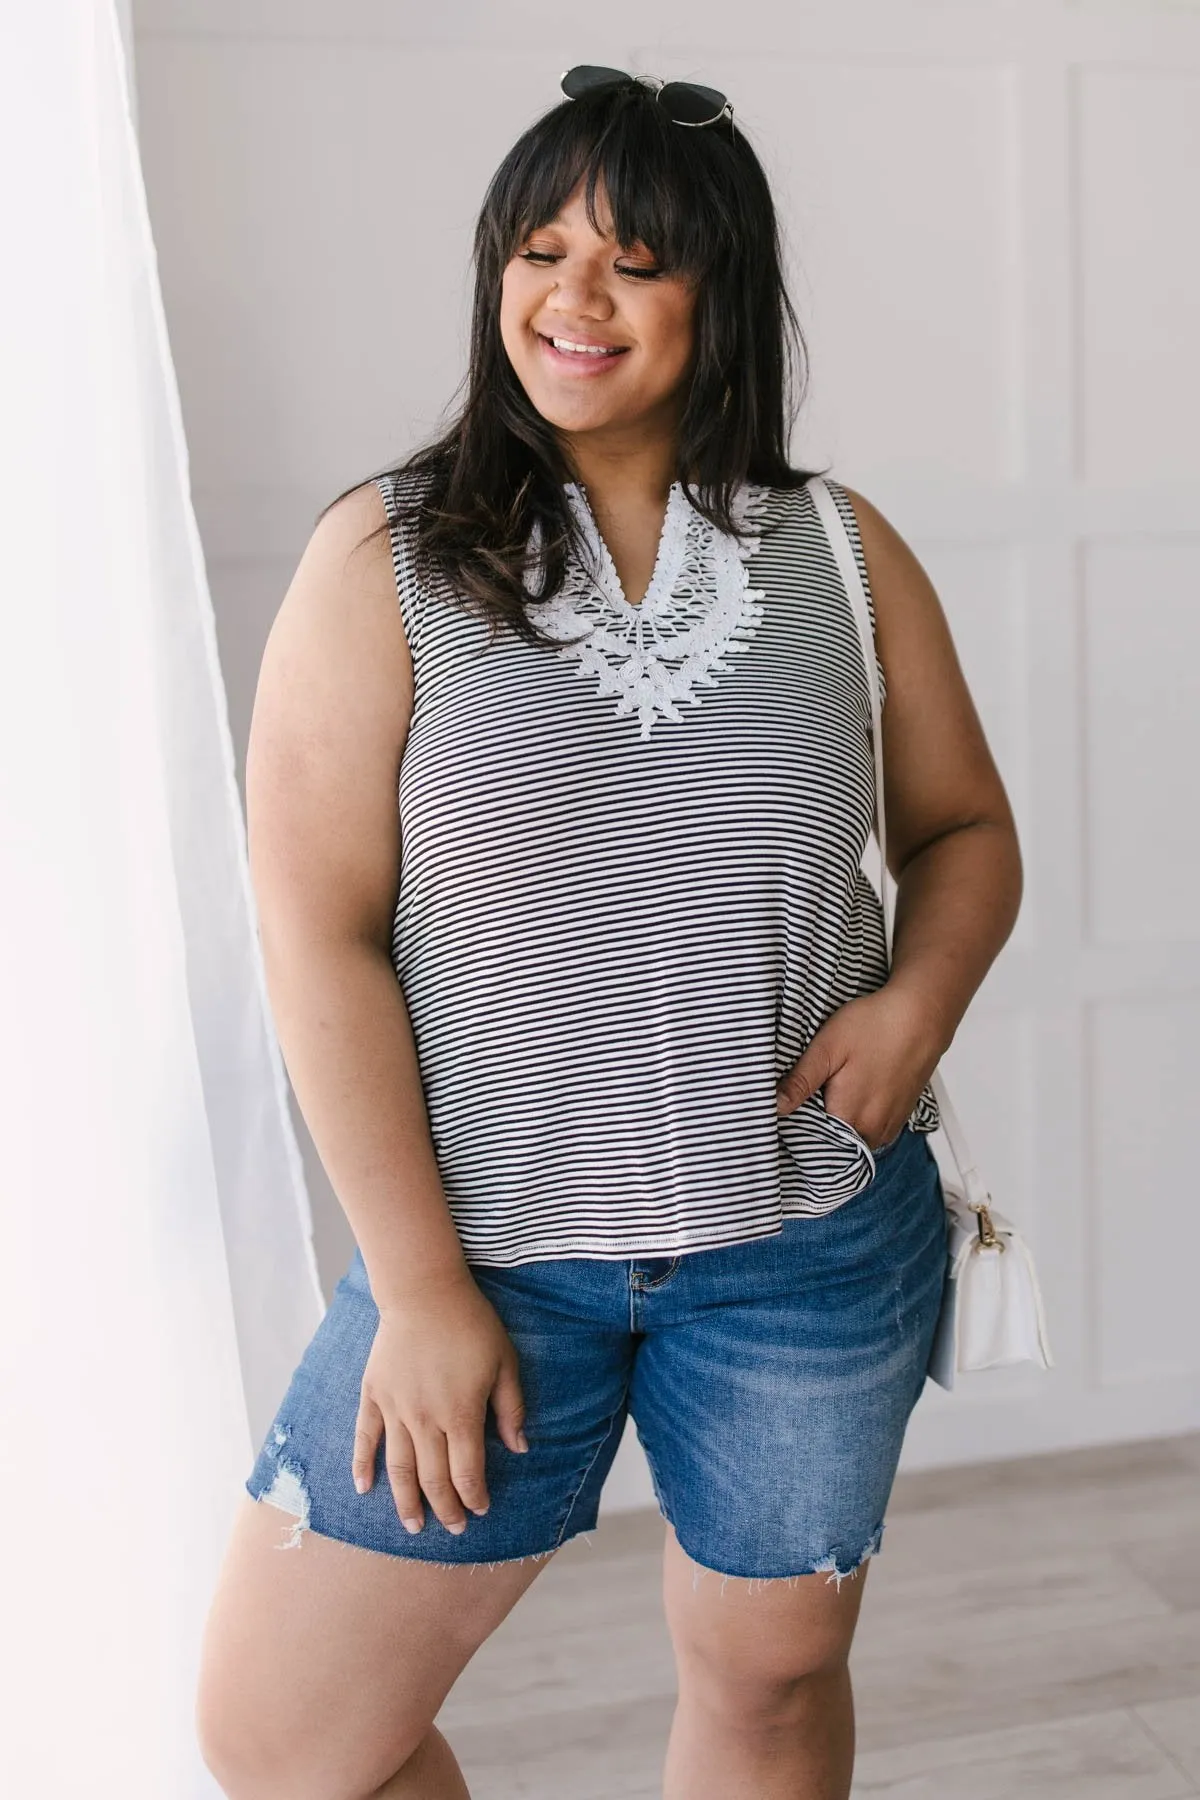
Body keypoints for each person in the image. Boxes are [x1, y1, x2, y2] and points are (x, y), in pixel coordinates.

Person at [196, 65, 1022, 1800]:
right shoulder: (386, 556)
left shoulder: (843, 553)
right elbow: (316, 933)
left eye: (635, 260)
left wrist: (921, 1003)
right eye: (540, 247)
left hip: (804, 1240)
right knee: (288, 1750)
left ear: (717, 294)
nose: (573, 298)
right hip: (486, 1260)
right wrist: (419, 1287)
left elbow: (960, 831)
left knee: (773, 1685)